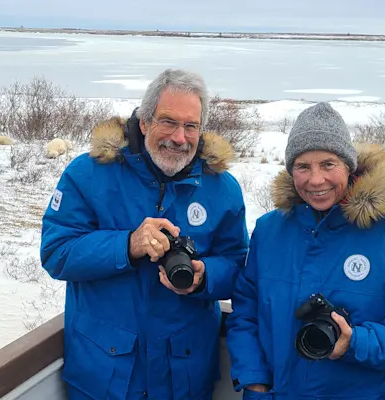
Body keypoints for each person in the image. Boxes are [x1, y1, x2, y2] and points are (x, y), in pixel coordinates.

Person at [225, 102, 385, 399]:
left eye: (328, 164)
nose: (316, 180)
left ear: (349, 166)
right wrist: (254, 382)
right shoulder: (270, 231)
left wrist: (356, 343)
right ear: (290, 171)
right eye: (302, 166)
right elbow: (246, 313)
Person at [40, 68, 250, 400]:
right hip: (103, 375)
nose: (180, 137)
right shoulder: (89, 174)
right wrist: (128, 245)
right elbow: (57, 252)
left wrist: (204, 276)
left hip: (185, 377)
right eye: (168, 121)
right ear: (144, 122)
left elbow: (238, 266)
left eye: (191, 126)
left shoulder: (221, 189)